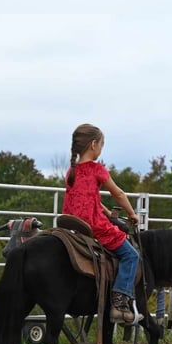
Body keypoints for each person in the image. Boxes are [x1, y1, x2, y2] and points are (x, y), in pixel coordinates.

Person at [63, 123, 143, 323]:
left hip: (72, 222)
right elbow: (118, 193)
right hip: (93, 225)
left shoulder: (71, 171)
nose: (101, 148)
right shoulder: (97, 169)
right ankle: (119, 303)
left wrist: (107, 211)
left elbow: (88, 198)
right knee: (131, 255)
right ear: (93, 145)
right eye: (102, 144)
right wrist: (132, 214)